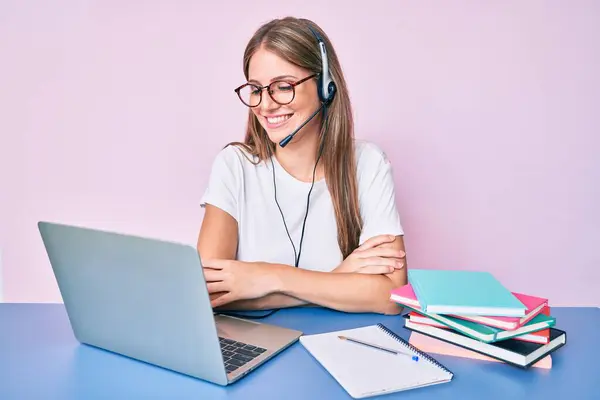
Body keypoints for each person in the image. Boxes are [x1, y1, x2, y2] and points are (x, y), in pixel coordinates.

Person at [197, 17, 407, 316]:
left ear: (325, 87)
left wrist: (269, 277)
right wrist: (339, 278)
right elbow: (206, 293)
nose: (266, 105)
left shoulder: (368, 163)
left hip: (339, 343)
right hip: (255, 343)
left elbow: (392, 295)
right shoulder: (234, 166)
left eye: (282, 87)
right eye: (256, 89)